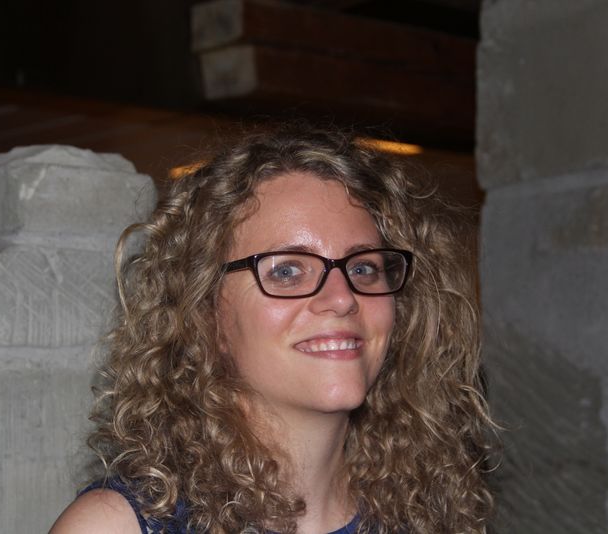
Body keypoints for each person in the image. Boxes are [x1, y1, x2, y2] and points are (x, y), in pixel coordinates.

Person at [50, 124, 497, 533]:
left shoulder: (430, 518)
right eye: (287, 271)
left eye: (363, 268)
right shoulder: (114, 527)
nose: (343, 298)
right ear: (205, 314)